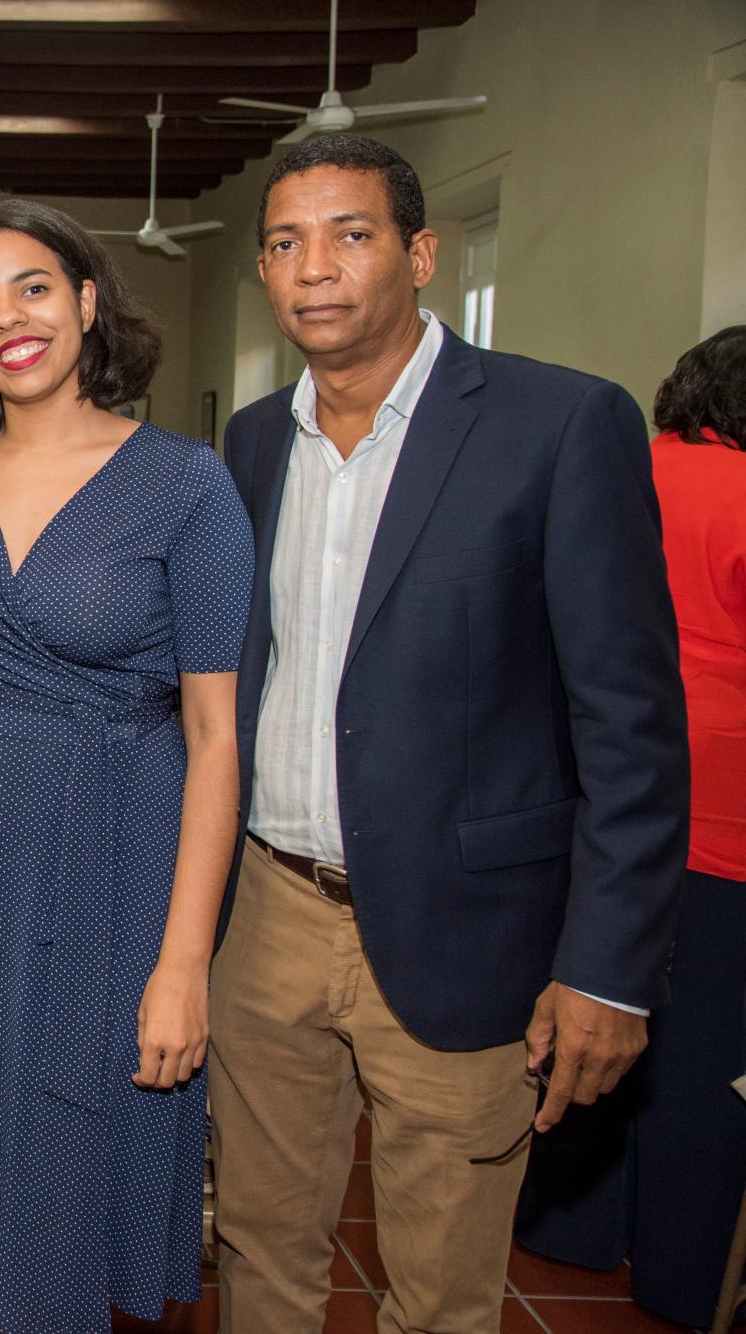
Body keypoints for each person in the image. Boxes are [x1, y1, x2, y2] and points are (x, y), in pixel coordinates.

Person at [209, 134, 689, 1334]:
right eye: (283, 242)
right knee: (259, 1248)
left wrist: (604, 966)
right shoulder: (255, 443)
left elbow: (627, 722)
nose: (312, 267)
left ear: (419, 254)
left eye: (349, 234)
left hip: (469, 929)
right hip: (266, 913)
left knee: (436, 1292)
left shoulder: (558, 424)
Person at [0, 198, 252, 1334]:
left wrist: (182, 963)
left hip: (104, 846)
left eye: (29, 287)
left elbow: (215, 737)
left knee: (66, 1156)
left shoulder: (184, 485)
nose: (6, 318)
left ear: (83, 302)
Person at [515, 325, 746, 1328]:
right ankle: (678, 1273)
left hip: (593, 800)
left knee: (584, 1009)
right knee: (698, 1056)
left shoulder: (618, 466)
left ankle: (565, 1224)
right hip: (717, 815)